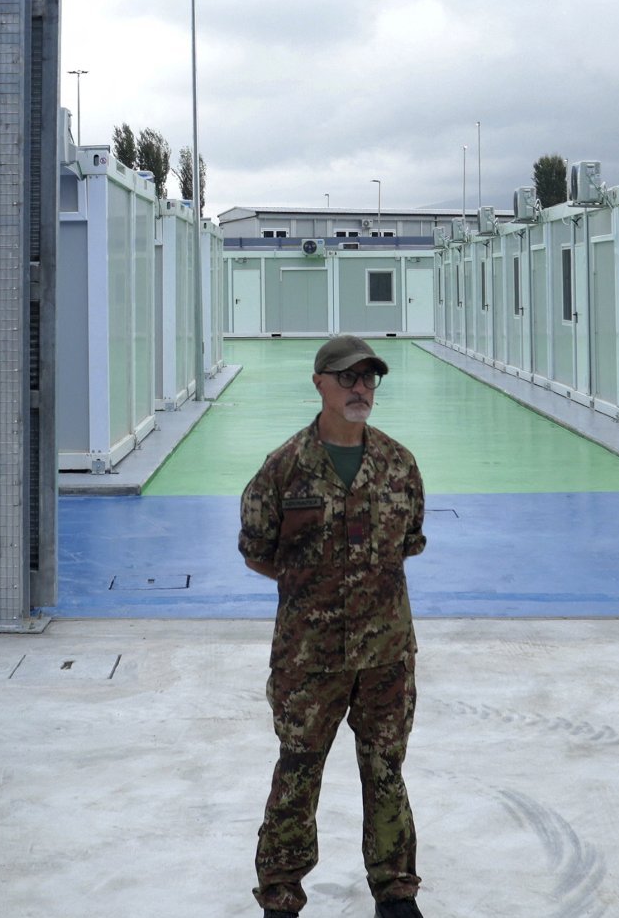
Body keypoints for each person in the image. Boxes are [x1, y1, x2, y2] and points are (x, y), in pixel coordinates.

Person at [239, 333, 428, 918]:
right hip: (308, 656)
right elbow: (256, 550)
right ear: (319, 382)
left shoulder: (399, 464)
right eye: (347, 377)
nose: (360, 388)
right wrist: (314, 592)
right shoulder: (284, 468)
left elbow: (409, 543)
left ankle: (395, 893)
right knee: (298, 770)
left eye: (369, 377)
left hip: (385, 654)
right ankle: (280, 896)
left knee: (386, 771)